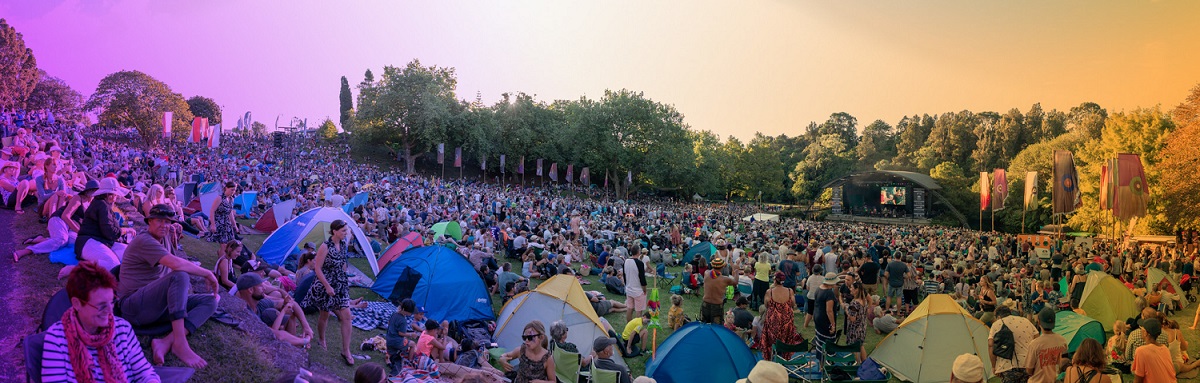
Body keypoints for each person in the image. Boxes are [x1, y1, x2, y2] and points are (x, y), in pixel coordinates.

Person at [116, 204, 218, 369]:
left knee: (210, 302)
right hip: (133, 307)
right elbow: (176, 265)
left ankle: (165, 342)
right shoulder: (144, 240)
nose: (164, 225)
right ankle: (180, 343)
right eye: (159, 221)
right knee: (180, 275)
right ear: (149, 221)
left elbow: (171, 267)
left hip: (155, 304)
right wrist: (207, 273)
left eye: (167, 221)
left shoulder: (163, 238)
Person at [41, 261, 161, 383]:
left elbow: (144, 372)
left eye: (112, 301)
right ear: (77, 304)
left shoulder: (122, 329)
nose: (110, 311)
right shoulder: (57, 340)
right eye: (102, 306)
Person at [301, 219, 357, 366]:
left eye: (346, 230)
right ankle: (321, 339)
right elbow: (317, 269)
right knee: (324, 315)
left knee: (346, 317)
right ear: (335, 231)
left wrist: (346, 276)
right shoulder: (325, 246)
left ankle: (346, 350)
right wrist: (327, 286)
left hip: (340, 284)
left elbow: (343, 262)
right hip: (326, 283)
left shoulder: (344, 244)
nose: (346, 233)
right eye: (343, 231)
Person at [14, 179, 97, 262]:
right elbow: (65, 216)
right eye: (94, 190)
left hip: (70, 227)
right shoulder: (78, 198)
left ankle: (41, 239)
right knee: (62, 239)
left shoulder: (91, 203)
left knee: (74, 242)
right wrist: (79, 232)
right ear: (88, 191)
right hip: (59, 219)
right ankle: (26, 251)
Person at [233, 273, 313, 347]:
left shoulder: (260, 303)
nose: (264, 288)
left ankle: (295, 345)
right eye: (260, 286)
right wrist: (305, 340)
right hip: (263, 348)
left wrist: (306, 326)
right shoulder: (247, 314)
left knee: (289, 311)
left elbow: (293, 304)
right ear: (250, 290)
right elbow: (279, 335)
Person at [76, 178, 134, 270]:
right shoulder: (102, 205)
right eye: (115, 194)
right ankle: (79, 268)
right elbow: (110, 232)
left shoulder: (102, 204)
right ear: (109, 194)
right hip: (88, 242)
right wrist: (126, 230)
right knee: (113, 264)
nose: (117, 197)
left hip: (98, 240)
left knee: (129, 252)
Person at [755, 271, 803, 359]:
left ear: (775, 280)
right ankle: (783, 358)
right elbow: (793, 304)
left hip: (773, 321)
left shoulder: (770, 292)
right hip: (786, 321)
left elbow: (766, 305)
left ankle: (774, 357)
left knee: (772, 341)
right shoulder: (790, 291)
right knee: (785, 340)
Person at [988, 305, 1037, 383]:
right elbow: (1036, 338)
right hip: (1028, 364)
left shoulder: (996, 324)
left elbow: (991, 345)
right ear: (1010, 312)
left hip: (1007, 367)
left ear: (999, 316)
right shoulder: (1025, 320)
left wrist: (994, 366)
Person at [1025, 308, 1067, 383]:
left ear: (1039, 322)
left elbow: (1029, 369)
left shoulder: (1034, 344)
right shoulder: (1062, 341)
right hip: (1056, 380)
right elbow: (1064, 363)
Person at [1131, 318, 1175, 383]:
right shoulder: (1165, 348)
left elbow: (1138, 380)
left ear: (1145, 333)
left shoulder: (1141, 351)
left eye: (1141, 329)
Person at [701, 257, 740, 324]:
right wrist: (736, 271)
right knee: (716, 328)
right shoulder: (725, 279)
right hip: (717, 306)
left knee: (703, 325)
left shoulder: (706, 273)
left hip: (705, 304)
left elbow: (712, 273)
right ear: (722, 267)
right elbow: (735, 282)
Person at [385, 299, 418, 375]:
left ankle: (390, 356)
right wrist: (411, 334)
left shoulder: (394, 314)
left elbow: (389, 323)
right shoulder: (403, 320)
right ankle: (409, 361)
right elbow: (401, 333)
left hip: (389, 339)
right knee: (412, 344)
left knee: (394, 352)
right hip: (396, 342)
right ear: (407, 311)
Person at [845, 281, 869, 363]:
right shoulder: (864, 300)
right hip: (862, 327)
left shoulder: (854, 303)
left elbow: (852, 319)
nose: (850, 289)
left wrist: (846, 311)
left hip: (855, 329)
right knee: (861, 346)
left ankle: (856, 364)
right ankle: (865, 364)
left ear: (856, 290)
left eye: (851, 287)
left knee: (854, 348)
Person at [624, 248, 648, 322]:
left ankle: (629, 324)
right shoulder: (639, 263)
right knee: (638, 310)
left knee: (630, 307)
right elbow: (642, 278)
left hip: (629, 288)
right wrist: (644, 289)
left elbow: (624, 275)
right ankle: (637, 327)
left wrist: (626, 285)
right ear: (638, 252)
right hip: (637, 290)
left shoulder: (626, 261)